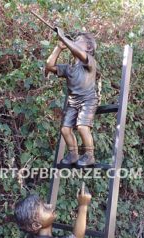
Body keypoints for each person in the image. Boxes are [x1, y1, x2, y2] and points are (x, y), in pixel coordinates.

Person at [45, 28, 98, 167]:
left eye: (78, 41)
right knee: (65, 129)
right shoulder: (69, 68)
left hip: (88, 99)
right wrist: (58, 47)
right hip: (73, 101)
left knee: (82, 127)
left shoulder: (90, 61)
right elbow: (49, 65)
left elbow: (77, 51)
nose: (73, 42)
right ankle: (73, 154)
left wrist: (63, 36)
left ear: (89, 47)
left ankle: (89, 155)